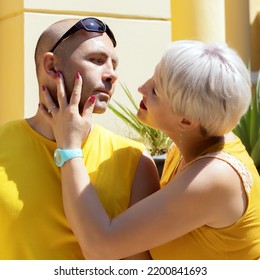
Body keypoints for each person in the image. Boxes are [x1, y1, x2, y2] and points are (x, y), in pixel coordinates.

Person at [40, 40, 260, 260]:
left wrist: (69, 146)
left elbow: (101, 247)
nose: (142, 88)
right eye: (152, 78)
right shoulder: (194, 142)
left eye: (155, 90)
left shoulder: (215, 176)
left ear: (186, 121)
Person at [0, 17, 160, 260]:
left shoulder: (135, 160)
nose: (112, 75)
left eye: (114, 65)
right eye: (97, 61)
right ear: (52, 66)